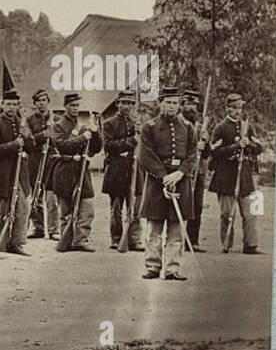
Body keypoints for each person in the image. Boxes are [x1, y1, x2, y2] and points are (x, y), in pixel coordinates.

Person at [137, 85, 198, 280]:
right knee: (154, 228)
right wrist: (164, 177)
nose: (172, 106)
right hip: (157, 183)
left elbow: (192, 154)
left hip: (181, 181)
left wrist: (180, 173)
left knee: (176, 230)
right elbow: (145, 155)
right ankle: (153, 266)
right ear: (161, 103)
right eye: (168, 102)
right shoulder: (150, 127)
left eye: (175, 103)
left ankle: (173, 268)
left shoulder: (188, 128)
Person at [208, 92, 264, 254]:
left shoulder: (248, 126)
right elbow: (215, 152)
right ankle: (226, 243)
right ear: (227, 109)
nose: (237, 111)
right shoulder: (220, 128)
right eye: (233, 108)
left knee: (250, 212)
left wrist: (249, 145)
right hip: (226, 176)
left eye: (239, 108)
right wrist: (235, 147)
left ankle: (251, 245)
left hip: (245, 175)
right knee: (226, 213)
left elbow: (259, 148)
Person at [0, 89, 35, 255]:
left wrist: (28, 137)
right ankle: (2, 241)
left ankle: (17, 243)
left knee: (22, 207)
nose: (11, 107)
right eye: (8, 104)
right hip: (2, 173)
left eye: (14, 104)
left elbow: (31, 148)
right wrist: (14, 145)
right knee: (5, 210)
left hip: (19, 173)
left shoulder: (22, 124)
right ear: (2, 105)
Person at [51, 94, 101, 252]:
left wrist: (95, 133)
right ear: (66, 106)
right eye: (72, 105)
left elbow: (95, 149)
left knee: (87, 207)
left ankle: (81, 240)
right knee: (66, 210)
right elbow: (63, 146)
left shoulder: (84, 126)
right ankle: (66, 240)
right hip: (65, 170)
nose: (75, 109)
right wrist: (83, 137)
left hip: (81, 171)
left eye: (77, 106)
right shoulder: (57, 126)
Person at [101, 93, 144, 251]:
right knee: (116, 207)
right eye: (124, 103)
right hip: (117, 168)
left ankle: (134, 239)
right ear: (118, 103)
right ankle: (117, 237)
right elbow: (108, 145)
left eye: (130, 103)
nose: (127, 106)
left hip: (133, 167)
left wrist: (140, 135)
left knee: (135, 206)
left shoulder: (136, 124)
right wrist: (130, 141)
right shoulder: (109, 124)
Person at [26, 90, 58, 239]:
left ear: (48, 101)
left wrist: (53, 133)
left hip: (51, 160)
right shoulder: (29, 120)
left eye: (44, 100)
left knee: (52, 196)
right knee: (36, 195)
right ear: (34, 103)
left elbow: (61, 140)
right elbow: (28, 140)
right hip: (35, 159)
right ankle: (38, 228)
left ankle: (53, 230)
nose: (41, 103)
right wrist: (43, 135)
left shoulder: (56, 119)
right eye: (38, 101)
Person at [181, 87, 209, 251]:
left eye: (194, 105)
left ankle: (192, 241)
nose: (191, 108)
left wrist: (205, 142)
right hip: (182, 171)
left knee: (196, 206)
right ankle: (176, 239)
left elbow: (207, 154)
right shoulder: (178, 124)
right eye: (188, 104)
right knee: (179, 206)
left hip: (199, 172)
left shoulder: (200, 127)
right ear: (182, 105)